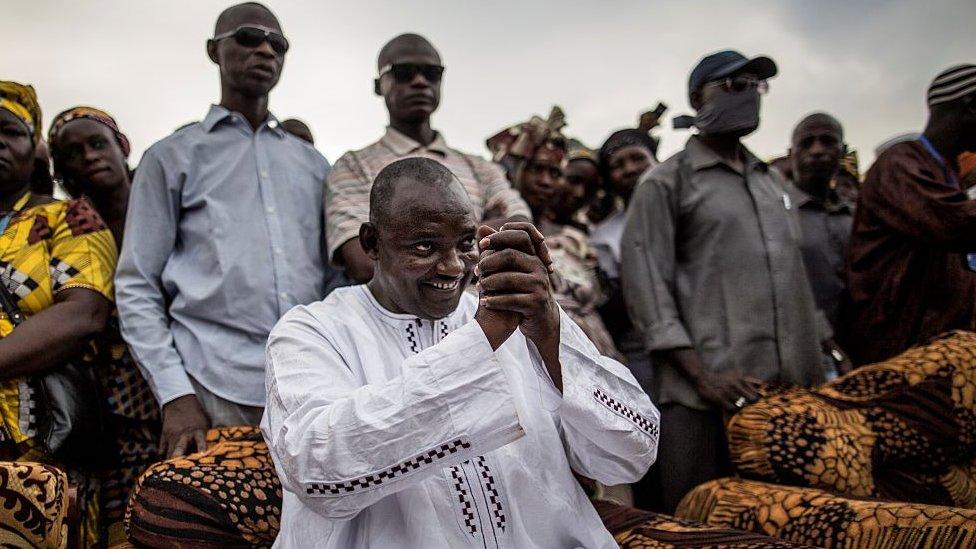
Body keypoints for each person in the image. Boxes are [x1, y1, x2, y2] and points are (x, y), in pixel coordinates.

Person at [263, 157, 658, 547]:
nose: (454, 267)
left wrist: (552, 334)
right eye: (424, 246)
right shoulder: (310, 332)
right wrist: (480, 342)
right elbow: (314, 466)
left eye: (466, 243)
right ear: (371, 243)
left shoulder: (519, 316)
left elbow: (631, 452)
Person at [621, 50, 848, 512]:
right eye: (733, 86)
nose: (749, 97)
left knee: (796, 517)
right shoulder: (665, 183)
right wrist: (703, 376)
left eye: (756, 86)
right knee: (705, 522)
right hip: (707, 397)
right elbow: (647, 287)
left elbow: (794, 279)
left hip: (788, 394)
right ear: (695, 99)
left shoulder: (772, 186)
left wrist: (829, 349)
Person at [115, 2, 334, 459]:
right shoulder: (171, 157)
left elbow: (333, 278)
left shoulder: (313, 165)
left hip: (309, 383)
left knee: (316, 525)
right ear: (214, 51)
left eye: (278, 44)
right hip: (210, 383)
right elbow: (137, 283)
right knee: (217, 526)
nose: (265, 51)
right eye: (249, 38)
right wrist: (175, 394)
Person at [0, 81, 117, 545]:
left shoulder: (68, 219)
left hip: (37, 446)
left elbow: (82, 313)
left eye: (9, 131)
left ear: (35, 149)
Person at [325, 33, 530, 283]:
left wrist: (413, 244)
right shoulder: (353, 167)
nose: (420, 81)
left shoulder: (479, 167)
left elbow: (521, 228)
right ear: (379, 85)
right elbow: (363, 263)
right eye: (404, 72)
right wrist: (480, 230)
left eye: (432, 73)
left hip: (485, 315)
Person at [47, 106, 161, 543]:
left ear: (123, 147)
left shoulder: (165, 203)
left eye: (98, 144)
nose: (90, 156)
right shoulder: (68, 226)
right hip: (105, 399)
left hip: (177, 381)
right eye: (73, 153)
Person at [842, 64, 976, 366]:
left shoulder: (945, 169)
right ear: (971, 107)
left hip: (933, 347)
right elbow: (955, 223)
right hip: (896, 346)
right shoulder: (900, 163)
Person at [487, 109, 624, 361]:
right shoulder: (492, 235)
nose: (546, 182)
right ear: (513, 169)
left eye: (555, 173)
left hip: (597, 354)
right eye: (537, 169)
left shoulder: (575, 238)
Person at [590, 128, 659, 395]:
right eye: (617, 166)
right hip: (643, 343)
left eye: (637, 158)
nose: (630, 169)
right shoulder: (605, 236)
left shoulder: (690, 211)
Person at [787, 113, 854, 335]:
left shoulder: (855, 216)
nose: (816, 151)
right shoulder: (776, 212)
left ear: (842, 151)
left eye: (828, 141)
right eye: (806, 143)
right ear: (791, 155)